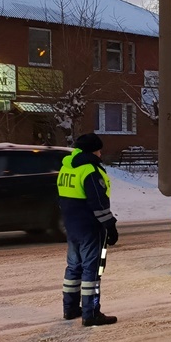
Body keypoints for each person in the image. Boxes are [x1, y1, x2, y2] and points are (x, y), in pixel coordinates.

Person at [57, 133, 119, 326]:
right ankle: (91, 313)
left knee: (73, 267)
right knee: (92, 270)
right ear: (94, 150)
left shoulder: (66, 168)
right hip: (91, 228)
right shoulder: (91, 171)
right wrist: (110, 226)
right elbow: (98, 204)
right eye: (99, 150)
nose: (101, 153)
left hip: (72, 226)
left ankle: (70, 308)